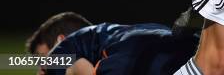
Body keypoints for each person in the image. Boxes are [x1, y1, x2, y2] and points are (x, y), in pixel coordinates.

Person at [26, 12, 201, 75]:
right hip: (186, 47)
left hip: (130, 57)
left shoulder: (63, 52)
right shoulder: (114, 35)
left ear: (60, 40)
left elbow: (76, 66)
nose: (41, 70)